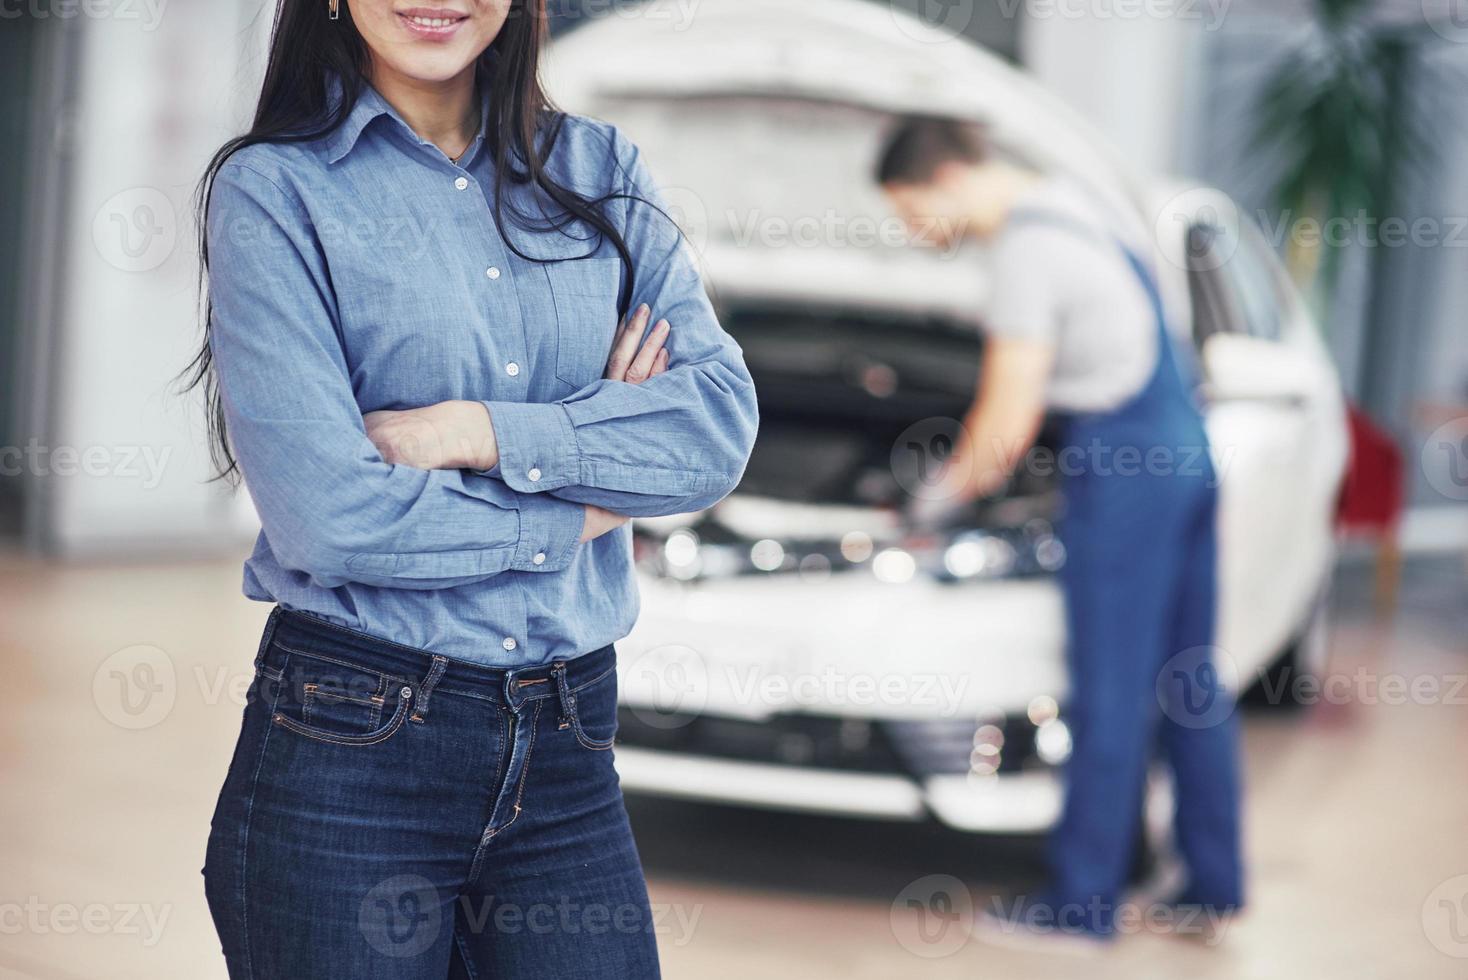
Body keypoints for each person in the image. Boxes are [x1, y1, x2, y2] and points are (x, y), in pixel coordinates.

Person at [186, 2, 757, 976]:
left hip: (569, 743)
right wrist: (588, 490)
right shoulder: (275, 190)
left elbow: (710, 432)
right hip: (351, 745)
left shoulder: (599, 170)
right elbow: (332, 518)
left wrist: (474, 432)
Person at [874, 116, 1242, 947]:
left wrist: (926, 507)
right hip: (1185, 449)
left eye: (908, 212)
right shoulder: (1085, 206)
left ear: (947, 180)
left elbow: (1005, 423)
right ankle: (1210, 884)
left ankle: (1083, 905)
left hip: (1124, 461)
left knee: (1111, 682)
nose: (913, 234)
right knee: (1189, 679)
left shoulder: (1025, 253)